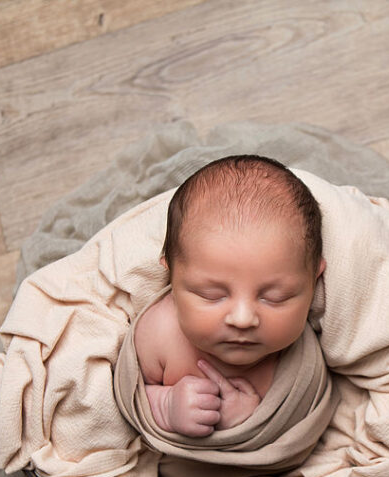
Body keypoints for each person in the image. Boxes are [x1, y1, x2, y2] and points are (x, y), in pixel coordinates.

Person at [133, 155, 326, 437]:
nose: (243, 319)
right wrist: (164, 405)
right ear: (172, 278)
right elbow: (122, 398)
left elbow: (312, 422)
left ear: (313, 279)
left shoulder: (302, 359)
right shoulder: (159, 334)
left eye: (276, 297)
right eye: (211, 295)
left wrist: (250, 422)